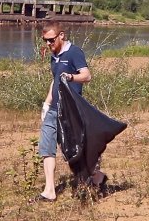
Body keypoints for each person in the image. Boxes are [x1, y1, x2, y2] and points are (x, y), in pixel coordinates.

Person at [36, 21, 104, 202]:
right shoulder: (54, 56)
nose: (48, 44)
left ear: (61, 35)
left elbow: (87, 75)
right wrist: (46, 104)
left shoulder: (74, 53)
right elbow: (55, 80)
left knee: (74, 148)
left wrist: (72, 77)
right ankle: (49, 190)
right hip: (53, 109)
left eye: (51, 40)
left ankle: (97, 177)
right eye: (45, 41)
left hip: (71, 109)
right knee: (46, 144)